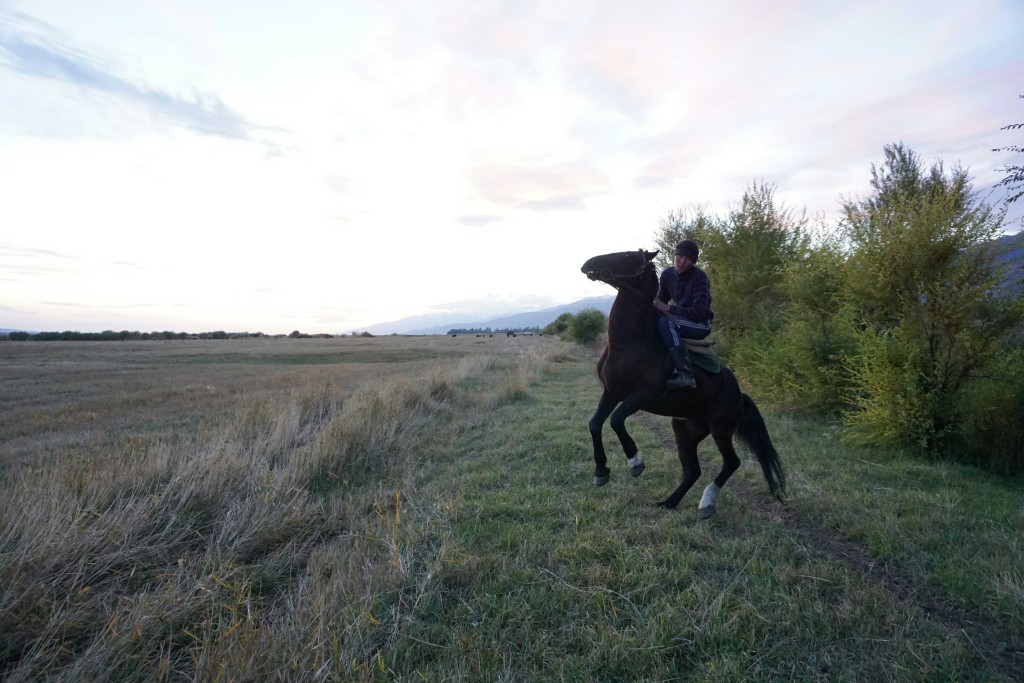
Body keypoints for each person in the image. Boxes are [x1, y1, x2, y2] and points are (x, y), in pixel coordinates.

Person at [653, 239, 714, 389]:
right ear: (674, 255)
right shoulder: (667, 274)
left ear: (693, 262)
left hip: (700, 324)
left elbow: (699, 312)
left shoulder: (700, 278)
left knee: (666, 322)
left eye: (688, 259)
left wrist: (669, 309)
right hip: (683, 319)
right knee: (655, 319)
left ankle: (686, 374)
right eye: (679, 256)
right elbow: (661, 299)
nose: (682, 262)